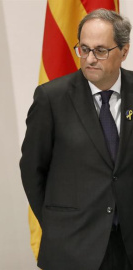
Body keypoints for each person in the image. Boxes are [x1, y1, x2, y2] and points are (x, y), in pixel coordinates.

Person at [20, 8, 133, 270]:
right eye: (84, 49)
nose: (90, 59)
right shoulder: (51, 98)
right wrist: (58, 224)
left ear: (124, 51)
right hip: (72, 247)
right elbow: (32, 170)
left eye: (100, 50)